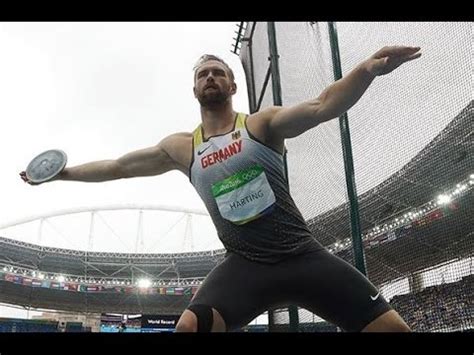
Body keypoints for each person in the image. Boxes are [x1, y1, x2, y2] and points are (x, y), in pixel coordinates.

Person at [20, 45, 421, 332]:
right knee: (190, 326)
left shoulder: (261, 126)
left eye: (218, 73)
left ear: (231, 87)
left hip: (303, 256)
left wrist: (366, 70)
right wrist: (62, 174)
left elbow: (323, 106)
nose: (209, 78)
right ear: (195, 90)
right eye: (202, 75)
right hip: (245, 267)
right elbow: (118, 167)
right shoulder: (181, 148)